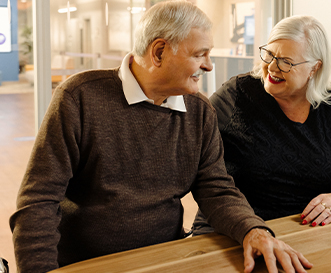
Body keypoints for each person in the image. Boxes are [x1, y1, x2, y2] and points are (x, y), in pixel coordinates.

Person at [9, 2, 312, 273]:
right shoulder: (79, 98)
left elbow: (216, 190)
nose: (209, 65)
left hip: (165, 258)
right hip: (87, 263)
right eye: (199, 54)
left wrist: (253, 231)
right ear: (159, 52)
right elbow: (38, 202)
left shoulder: (199, 111)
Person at [193, 15, 331, 235]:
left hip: (314, 233)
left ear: (315, 68)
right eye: (269, 55)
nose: (272, 68)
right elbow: (189, 154)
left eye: (286, 61)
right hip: (241, 232)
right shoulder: (235, 95)